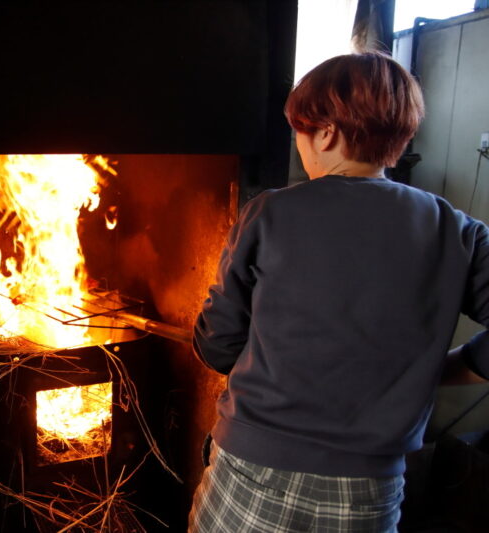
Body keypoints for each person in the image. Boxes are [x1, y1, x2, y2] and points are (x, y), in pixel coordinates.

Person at [188, 52, 489, 532]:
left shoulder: (270, 214)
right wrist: (447, 368)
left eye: (299, 133)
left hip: (253, 471)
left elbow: (218, 346)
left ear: (326, 132)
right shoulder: (457, 230)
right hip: (368, 490)